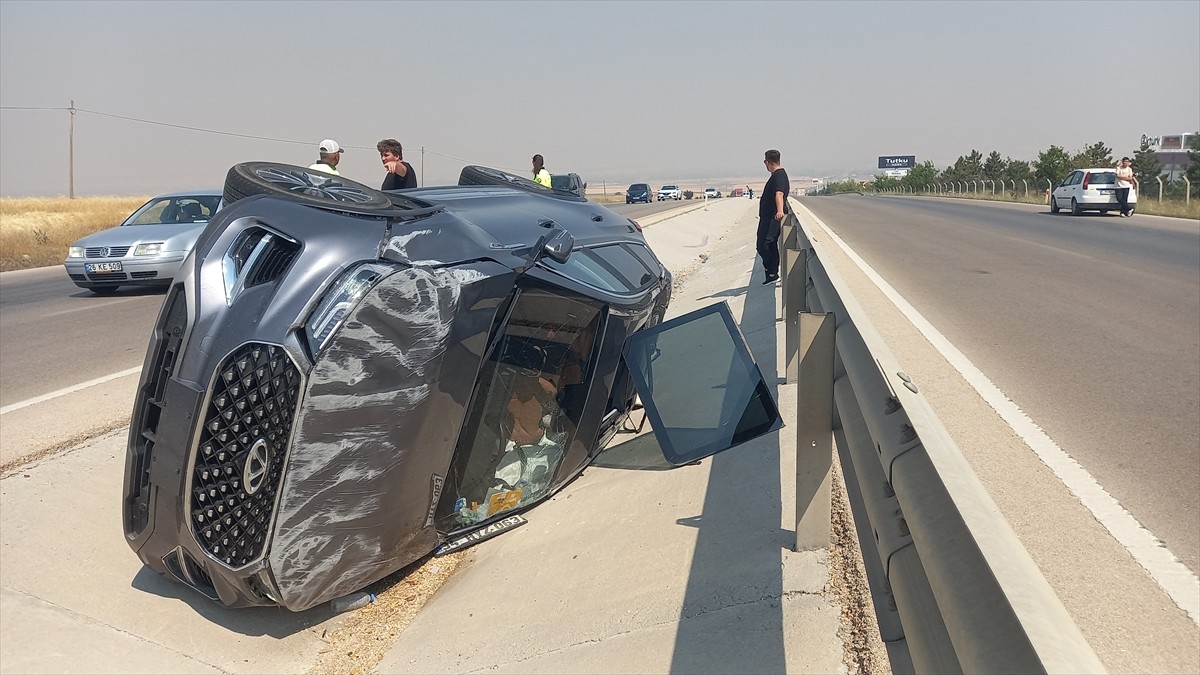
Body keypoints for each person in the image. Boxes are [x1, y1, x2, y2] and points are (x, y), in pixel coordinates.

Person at [758, 149, 789, 285]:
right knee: (764, 245)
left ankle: (772, 273)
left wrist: (780, 210)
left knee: (766, 244)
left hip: (772, 217)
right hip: (767, 216)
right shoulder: (777, 175)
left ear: (767, 162)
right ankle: (770, 273)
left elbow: (779, 194)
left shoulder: (778, 175)